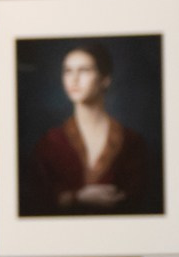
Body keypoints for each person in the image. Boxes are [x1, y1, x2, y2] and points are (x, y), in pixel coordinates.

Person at [30, 43, 152, 211]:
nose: (74, 79)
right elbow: (35, 201)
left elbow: (141, 203)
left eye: (84, 70)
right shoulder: (49, 142)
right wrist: (77, 198)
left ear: (105, 79)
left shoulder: (132, 142)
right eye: (68, 71)